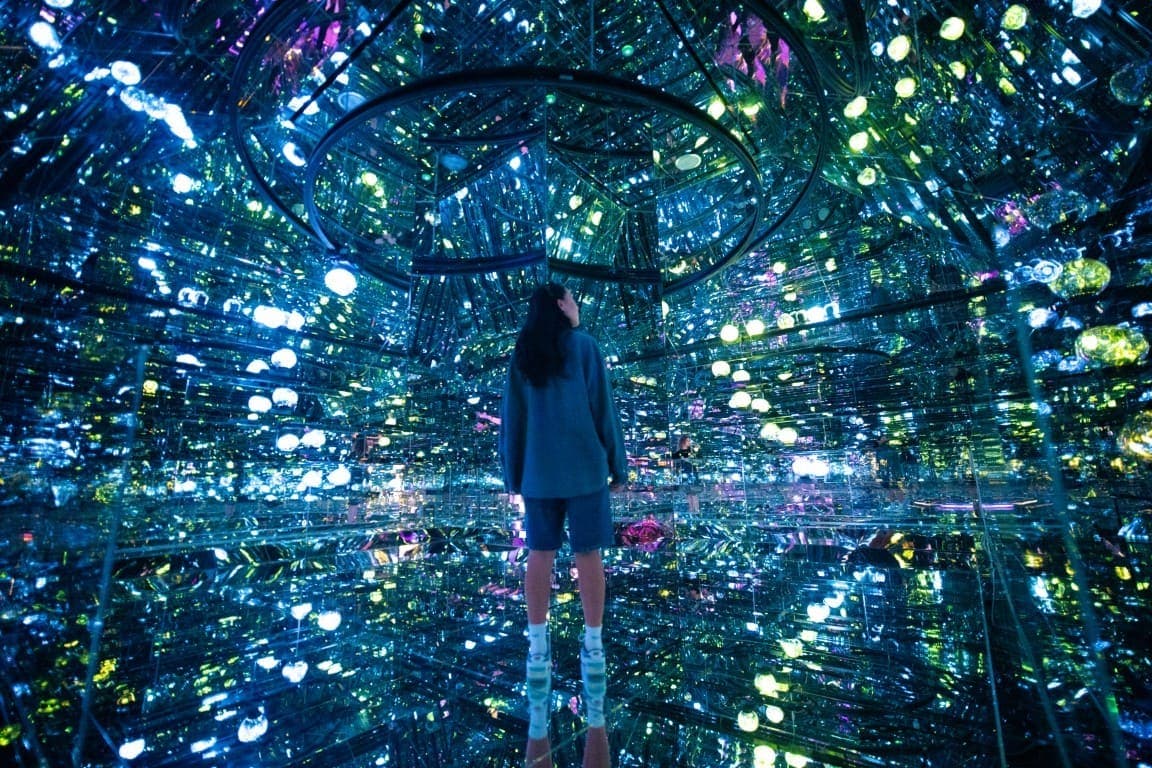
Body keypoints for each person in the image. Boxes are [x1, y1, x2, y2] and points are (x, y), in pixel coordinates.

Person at [500, 282, 627, 764]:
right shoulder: (586, 347)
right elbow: (604, 412)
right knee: (588, 553)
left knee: (540, 554)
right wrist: (619, 466)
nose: (578, 305)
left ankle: (538, 641)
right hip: (586, 470)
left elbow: (513, 419)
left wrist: (513, 473)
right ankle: (592, 639)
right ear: (561, 305)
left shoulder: (524, 353)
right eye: (573, 299)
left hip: (537, 473)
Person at [671, 435, 700, 515]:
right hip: (684, 473)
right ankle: (691, 509)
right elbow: (676, 465)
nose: (689, 442)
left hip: (691, 473)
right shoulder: (678, 453)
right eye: (687, 441)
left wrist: (693, 444)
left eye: (689, 441)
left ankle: (696, 510)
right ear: (683, 441)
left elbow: (697, 449)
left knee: (693, 492)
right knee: (688, 492)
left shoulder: (691, 452)